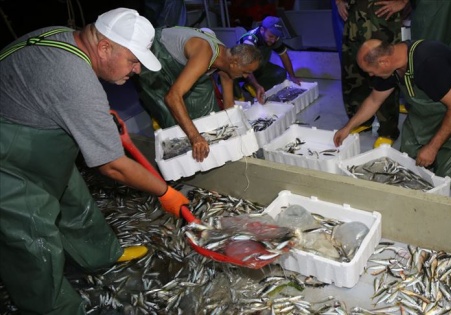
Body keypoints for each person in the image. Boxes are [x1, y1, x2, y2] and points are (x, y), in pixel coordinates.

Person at [0, 8, 190, 314]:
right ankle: (52, 307)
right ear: (103, 47)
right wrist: (165, 192)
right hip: (8, 157)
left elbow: (48, 90)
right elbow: (112, 165)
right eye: (133, 60)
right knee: (32, 242)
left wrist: (92, 119)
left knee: (74, 199)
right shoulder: (76, 80)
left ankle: (101, 254)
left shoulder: (60, 34)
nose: (137, 70)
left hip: (33, 127)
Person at [333, 39, 451, 188]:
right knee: (407, 162)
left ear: (383, 62)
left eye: (370, 71)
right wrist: (348, 127)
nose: (371, 75)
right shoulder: (393, 66)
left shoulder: (428, 62)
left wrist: (432, 147)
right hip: (430, 110)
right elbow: (374, 101)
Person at [134, 26, 262, 162]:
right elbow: (172, 97)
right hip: (160, 53)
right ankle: (182, 161)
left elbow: (229, 107)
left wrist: (238, 139)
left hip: (190, 61)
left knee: (206, 107)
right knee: (171, 115)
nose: (245, 76)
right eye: (245, 72)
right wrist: (195, 136)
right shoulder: (204, 53)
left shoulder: (226, 61)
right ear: (235, 63)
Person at [335, 0, 407, 148]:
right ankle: (360, 120)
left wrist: (405, 1)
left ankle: (388, 130)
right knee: (354, 68)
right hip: (353, 9)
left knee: (384, 70)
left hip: (381, 10)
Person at [236, 16, 301, 104]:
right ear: (262, 30)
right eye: (271, 36)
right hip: (241, 69)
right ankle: (249, 89)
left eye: (276, 37)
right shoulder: (250, 40)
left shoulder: (274, 38)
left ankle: (253, 88)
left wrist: (292, 76)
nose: (274, 40)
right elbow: (246, 66)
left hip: (257, 67)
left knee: (280, 73)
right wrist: (256, 85)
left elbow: (284, 55)